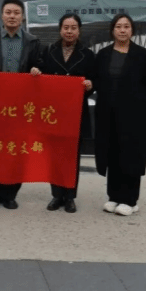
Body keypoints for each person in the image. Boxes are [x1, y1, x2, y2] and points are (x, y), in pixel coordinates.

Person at [0, 0, 42, 210]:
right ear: (2, 15)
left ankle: (9, 194)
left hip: (20, 105)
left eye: (16, 13)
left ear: (23, 17)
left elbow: (38, 64)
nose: (12, 16)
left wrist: (37, 70)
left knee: (15, 151)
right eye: (8, 12)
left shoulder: (32, 41)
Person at [93, 13, 146, 216]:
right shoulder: (103, 54)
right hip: (108, 114)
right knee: (112, 153)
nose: (122, 30)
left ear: (132, 30)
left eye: (126, 26)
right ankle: (114, 196)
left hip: (133, 116)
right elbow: (96, 81)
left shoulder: (142, 55)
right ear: (112, 30)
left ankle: (130, 200)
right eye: (118, 26)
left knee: (131, 155)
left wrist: (136, 105)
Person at [40, 14, 95, 213]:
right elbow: (41, 80)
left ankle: (70, 196)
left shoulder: (88, 55)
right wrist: (37, 74)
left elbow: (95, 80)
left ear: (79, 30)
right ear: (60, 29)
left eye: (73, 28)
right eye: (66, 27)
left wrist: (90, 85)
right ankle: (56, 195)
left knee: (72, 156)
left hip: (76, 113)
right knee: (54, 155)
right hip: (53, 113)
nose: (69, 31)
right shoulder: (49, 51)